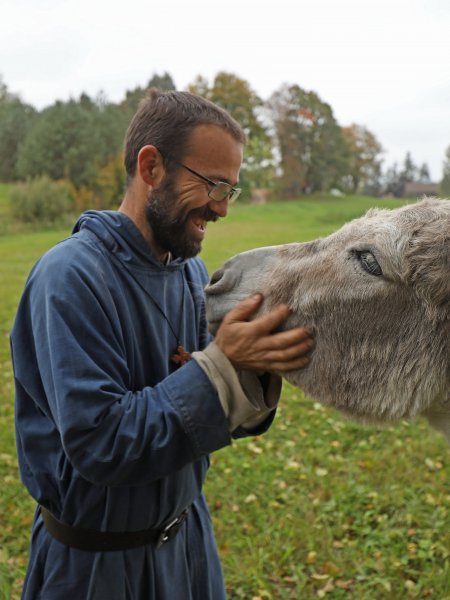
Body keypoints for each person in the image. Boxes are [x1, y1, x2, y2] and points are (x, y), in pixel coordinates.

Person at [10, 90, 314, 600]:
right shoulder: (69, 277)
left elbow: (210, 412)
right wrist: (222, 366)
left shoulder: (192, 272)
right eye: (214, 185)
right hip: (95, 570)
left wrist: (258, 361)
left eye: (230, 191)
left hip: (190, 549)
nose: (221, 207)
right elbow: (101, 443)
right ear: (151, 166)